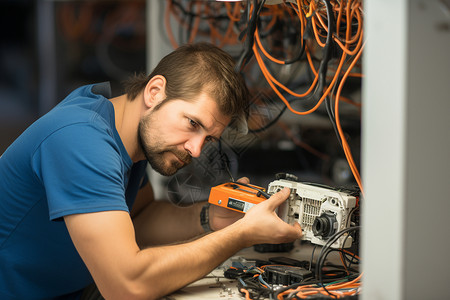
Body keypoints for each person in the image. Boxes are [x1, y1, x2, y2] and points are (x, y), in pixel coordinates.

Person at [0, 42, 302, 300]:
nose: (196, 150)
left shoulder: (126, 136)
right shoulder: (82, 140)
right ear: (155, 91)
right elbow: (127, 285)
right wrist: (240, 235)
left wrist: (210, 218)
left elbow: (139, 219)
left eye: (208, 138)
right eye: (192, 124)